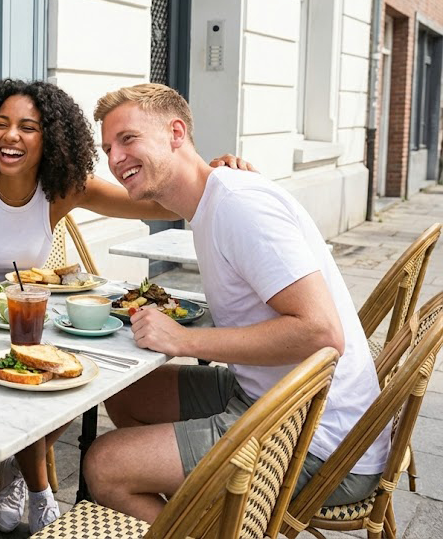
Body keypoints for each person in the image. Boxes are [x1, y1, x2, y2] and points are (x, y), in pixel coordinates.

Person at [0, 79, 254, 537]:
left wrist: (217, 174)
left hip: (23, 322)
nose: (11, 136)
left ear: (50, 138)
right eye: (1, 124)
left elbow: (160, 195)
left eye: (28, 127)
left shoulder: (62, 188)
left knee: (73, 380)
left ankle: (22, 476)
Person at [84, 83, 389, 522]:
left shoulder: (237, 205)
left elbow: (322, 333)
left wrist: (185, 342)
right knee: (129, 395)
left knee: (104, 465)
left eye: (128, 139)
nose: (114, 160)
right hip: (273, 395)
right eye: (109, 147)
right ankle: (201, 506)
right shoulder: (217, 196)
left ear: (175, 133)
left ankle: (204, 517)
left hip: (321, 441)